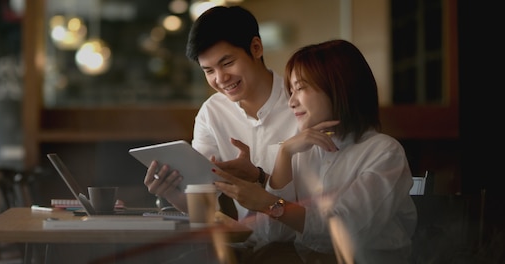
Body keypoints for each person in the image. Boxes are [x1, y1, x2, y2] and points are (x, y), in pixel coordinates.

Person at [213, 39, 418, 263]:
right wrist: (285, 154)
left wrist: (267, 203)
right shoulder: (302, 151)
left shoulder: (384, 152)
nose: (291, 102)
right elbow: (275, 234)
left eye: (300, 88)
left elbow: (343, 231)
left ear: (339, 85)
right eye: (290, 91)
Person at [143, 4, 298, 253]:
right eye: (209, 71)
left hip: (303, 245)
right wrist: (171, 192)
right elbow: (204, 206)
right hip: (248, 247)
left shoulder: (299, 102)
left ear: (256, 48)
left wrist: (259, 176)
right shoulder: (211, 113)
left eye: (227, 63)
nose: (221, 78)